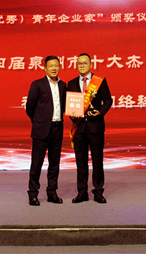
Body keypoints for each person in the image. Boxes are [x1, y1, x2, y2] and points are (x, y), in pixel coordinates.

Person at [67, 53, 113, 204]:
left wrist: (100, 112)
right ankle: (82, 192)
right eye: (79, 63)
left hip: (96, 126)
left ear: (90, 65)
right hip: (79, 127)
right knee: (81, 162)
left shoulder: (99, 81)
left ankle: (98, 192)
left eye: (85, 63)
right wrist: (72, 115)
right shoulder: (72, 83)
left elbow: (108, 100)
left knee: (97, 161)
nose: (82, 65)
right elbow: (70, 104)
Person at [25, 55, 67, 206]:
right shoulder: (37, 85)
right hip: (41, 130)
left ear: (59, 67)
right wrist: (39, 121)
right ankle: (33, 194)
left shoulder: (63, 85)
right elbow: (29, 107)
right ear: (45, 68)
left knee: (54, 164)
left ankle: (52, 193)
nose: (54, 68)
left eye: (56, 65)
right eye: (51, 66)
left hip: (57, 129)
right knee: (36, 163)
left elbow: (64, 106)